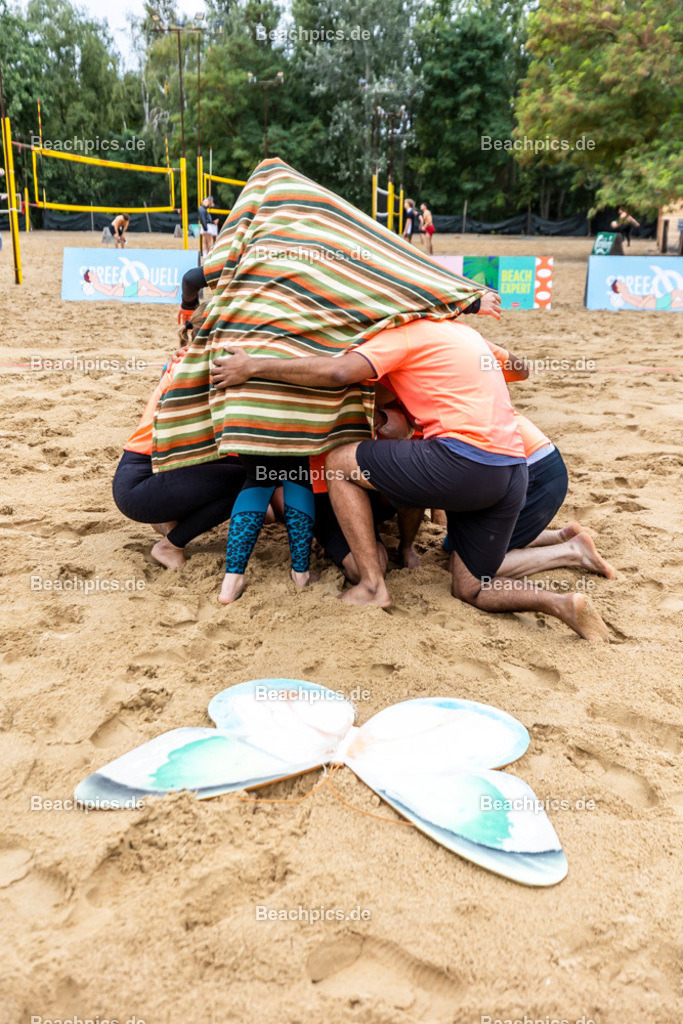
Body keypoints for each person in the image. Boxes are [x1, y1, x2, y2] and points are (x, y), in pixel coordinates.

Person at [211, 318, 610, 642]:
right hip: (511, 471)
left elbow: (338, 370)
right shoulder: (466, 334)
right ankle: (561, 603)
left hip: (462, 460)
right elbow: (521, 369)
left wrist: (254, 366)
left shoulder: (405, 334)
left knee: (338, 462)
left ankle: (372, 586)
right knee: (471, 587)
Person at [112, 308, 245, 568]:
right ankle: (170, 546)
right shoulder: (203, 369)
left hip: (138, 473)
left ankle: (166, 520)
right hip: (142, 484)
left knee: (245, 470)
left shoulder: (184, 361)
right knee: (249, 477)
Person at [610, 278, 683, 310]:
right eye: (620, 284)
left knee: (681, 303)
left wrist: (648, 296)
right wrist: (649, 297)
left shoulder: (628, 295)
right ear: (618, 289)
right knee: (677, 292)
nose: (622, 283)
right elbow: (639, 305)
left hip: (659, 303)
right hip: (659, 303)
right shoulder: (625, 297)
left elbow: (641, 299)